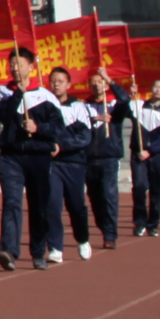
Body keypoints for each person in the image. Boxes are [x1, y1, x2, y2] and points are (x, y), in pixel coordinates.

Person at [0, 49, 58, 270]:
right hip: (11, 156)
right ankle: (9, 250)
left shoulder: (46, 96)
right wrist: (18, 94)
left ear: (31, 67)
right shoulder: (3, 92)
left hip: (38, 156)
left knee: (39, 205)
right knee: (12, 203)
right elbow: (3, 115)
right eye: (11, 64)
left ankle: (38, 251)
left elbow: (59, 128)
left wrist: (38, 128)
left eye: (20, 64)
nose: (15, 68)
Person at [48, 68, 97, 261]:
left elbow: (84, 137)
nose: (56, 84)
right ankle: (55, 247)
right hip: (52, 164)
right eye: (52, 81)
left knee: (77, 206)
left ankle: (83, 239)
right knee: (52, 204)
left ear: (68, 84)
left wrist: (62, 146)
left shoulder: (78, 107)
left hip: (74, 163)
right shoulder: (44, 106)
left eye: (60, 81)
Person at [83, 69, 127, 250]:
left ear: (105, 85)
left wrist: (109, 78)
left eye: (100, 82)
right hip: (88, 159)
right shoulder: (84, 106)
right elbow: (78, 123)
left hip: (109, 158)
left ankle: (110, 234)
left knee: (109, 195)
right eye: (92, 83)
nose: (96, 85)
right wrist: (96, 118)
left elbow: (125, 100)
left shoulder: (115, 105)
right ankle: (103, 226)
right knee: (95, 198)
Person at [132, 81, 160, 237]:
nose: (158, 90)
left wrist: (150, 151)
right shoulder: (138, 105)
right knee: (139, 186)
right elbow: (121, 106)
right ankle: (139, 222)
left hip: (157, 155)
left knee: (156, 190)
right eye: (156, 87)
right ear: (151, 89)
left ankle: (153, 224)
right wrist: (129, 94)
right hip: (138, 154)